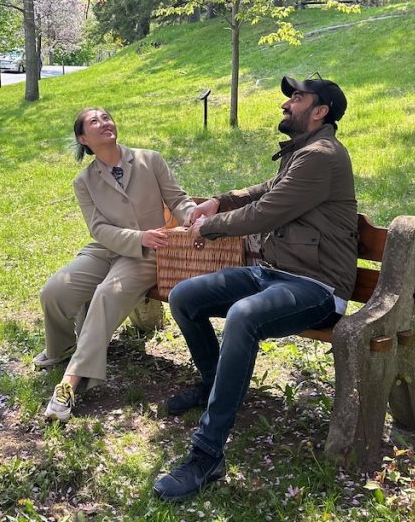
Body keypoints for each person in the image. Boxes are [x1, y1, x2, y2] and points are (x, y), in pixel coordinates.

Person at [152, 75, 358, 501]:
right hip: (274, 273)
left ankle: (208, 454)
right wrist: (220, 200)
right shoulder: (302, 153)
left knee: (244, 318)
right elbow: (265, 189)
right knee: (184, 297)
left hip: (317, 287)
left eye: (297, 98)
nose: (287, 105)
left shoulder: (322, 156)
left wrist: (211, 226)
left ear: (320, 111)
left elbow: (266, 211)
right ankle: (214, 385)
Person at [38, 107, 196, 423]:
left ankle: (71, 381)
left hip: (148, 254)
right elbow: (98, 228)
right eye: (94, 121)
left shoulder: (150, 159)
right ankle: (62, 348)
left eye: (107, 117)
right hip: (106, 248)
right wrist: (137, 236)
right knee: (54, 291)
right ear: (83, 139)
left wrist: (193, 216)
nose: (105, 122)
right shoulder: (84, 181)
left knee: (107, 294)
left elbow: (178, 200)